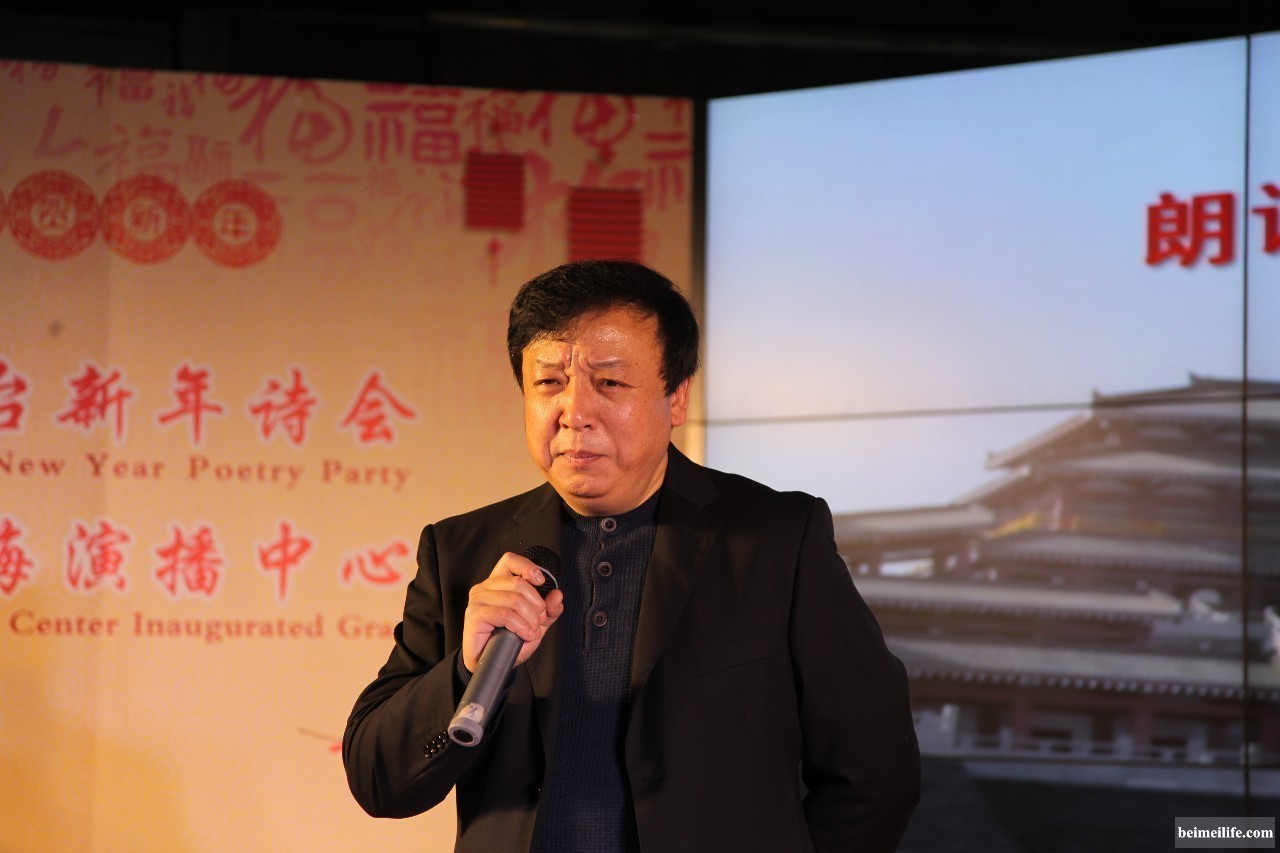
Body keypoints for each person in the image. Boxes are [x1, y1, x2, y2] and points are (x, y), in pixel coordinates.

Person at [343, 259, 920, 852]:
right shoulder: (463, 551)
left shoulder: (776, 540)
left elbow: (876, 772)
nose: (574, 413)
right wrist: (464, 672)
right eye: (549, 384)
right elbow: (376, 780)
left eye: (610, 383)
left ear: (676, 398)